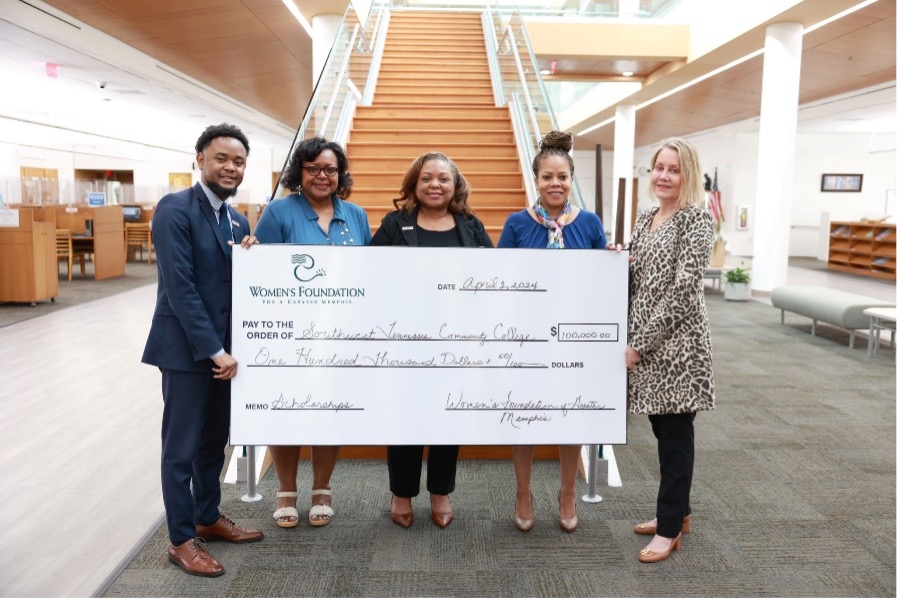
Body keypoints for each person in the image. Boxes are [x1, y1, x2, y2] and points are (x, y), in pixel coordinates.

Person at [142, 123, 263, 578]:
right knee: (181, 447)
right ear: (200, 160)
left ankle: (207, 516)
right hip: (187, 351)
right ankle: (180, 539)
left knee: (214, 442)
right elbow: (180, 288)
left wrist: (252, 257)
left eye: (239, 162)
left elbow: (233, 287)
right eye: (222, 159)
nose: (231, 167)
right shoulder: (174, 209)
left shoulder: (237, 220)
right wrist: (214, 350)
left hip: (225, 355)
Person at [253, 136, 372, 529]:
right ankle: (286, 489)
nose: (323, 175)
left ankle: (323, 487)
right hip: (289, 336)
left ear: (340, 174)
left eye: (330, 169)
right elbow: (260, 275)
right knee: (286, 409)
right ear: (299, 173)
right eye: (314, 168)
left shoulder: (356, 215)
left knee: (329, 411)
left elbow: (369, 275)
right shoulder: (278, 212)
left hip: (342, 335)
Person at [371, 151, 493, 529]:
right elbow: (369, 277)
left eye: (442, 178)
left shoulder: (471, 226)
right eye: (426, 178)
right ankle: (402, 493)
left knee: (447, 418)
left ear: (455, 184)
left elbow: (493, 278)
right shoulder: (395, 224)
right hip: (404, 341)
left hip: (457, 342)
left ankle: (441, 491)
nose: (434, 185)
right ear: (414, 183)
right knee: (404, 418)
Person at [497, 130, 607, 533]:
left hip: (575, 336)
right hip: (526, 336)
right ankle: (523, 492)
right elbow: (501, 281)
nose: (555, 184)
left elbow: (601, 284)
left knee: (569, 415)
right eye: (547, 177)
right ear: (536, 180)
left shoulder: (590, 223)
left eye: (562, 177)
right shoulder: (517, 223)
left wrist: (611, 262)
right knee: (524, 414)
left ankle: (566, 493)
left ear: (571, 179)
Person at [625, 137, 715, 563]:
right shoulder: (647, 218)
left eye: (673, 169)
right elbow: (636, 275)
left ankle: (668, 529)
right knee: (664, 433)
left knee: (676, 439)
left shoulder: (696, 220)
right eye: (658, 167)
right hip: (649, 344)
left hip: (677, 349)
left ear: (689, 175)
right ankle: (680, 513)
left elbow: (682, 293)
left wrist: (639, 345)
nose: (663, 175)